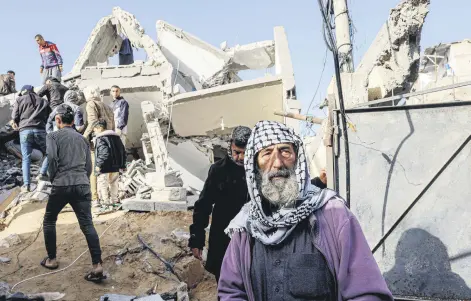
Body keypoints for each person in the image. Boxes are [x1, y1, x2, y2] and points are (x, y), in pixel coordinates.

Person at [219, 120, 393, 301]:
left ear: (297, 158)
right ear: (256, 167)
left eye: (285, 151)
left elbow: (367, 293)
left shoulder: (333, 213)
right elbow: (231, 292)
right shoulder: (245, 225)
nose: (277, 163)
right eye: (267, 153)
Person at [41, 104, 106, 283]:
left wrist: (53, 177)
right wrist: (82, 180)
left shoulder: (52, 136)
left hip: (61, 184)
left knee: (49, 220)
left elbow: (52, 159)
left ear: (58, 120)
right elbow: (88, 166)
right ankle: (97, 265)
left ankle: (52, 259)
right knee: (87, 224)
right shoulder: (82, 139)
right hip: (82, 185)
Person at [189, 126, 252, 283]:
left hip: (251, 239)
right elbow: (203, 205)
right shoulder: (218, 170)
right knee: (225, 284)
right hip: (223, 238)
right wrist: (197, 238)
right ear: (230, 147)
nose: (241, 158)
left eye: (246, 153)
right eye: (237, 152)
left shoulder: (258, 171)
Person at [37, 90, 85, 181]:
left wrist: (49, 132)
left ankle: (42, 173)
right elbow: (78, 127)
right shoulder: (77, 108)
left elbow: (49, 120)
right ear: (75, 98)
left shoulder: (58, 107)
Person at [11, 85, 50, 192]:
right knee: (50, 152)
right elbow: (48, 116)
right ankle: (42, 173)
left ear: (24, 91)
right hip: (40, 130)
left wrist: (17, 123)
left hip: (24, 131)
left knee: (26, 158)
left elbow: (14, 116)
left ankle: (27, 185)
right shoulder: (43, 101)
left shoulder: (19, 99)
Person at [82, 85, 115, 203]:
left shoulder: (91, 104)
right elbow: (113, 126)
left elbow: (93, 122)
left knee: (94, 170)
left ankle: (95, 198)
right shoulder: (108, 107)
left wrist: (83, 137)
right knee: (107, 170)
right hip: (109, 140)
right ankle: (110, 198)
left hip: (97, 141)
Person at [93, 119, 126, 209]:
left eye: (95, 129)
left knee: (103, 184)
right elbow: (122, 151)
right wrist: (123, 165)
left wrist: (98, 165)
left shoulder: (100, 138)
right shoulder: (116, 137)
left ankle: (106, 203)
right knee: (114, 184)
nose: (94, 131)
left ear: (100, 128)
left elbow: (104, 153)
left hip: (104, 167)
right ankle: (114, 201)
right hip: (115, 167)